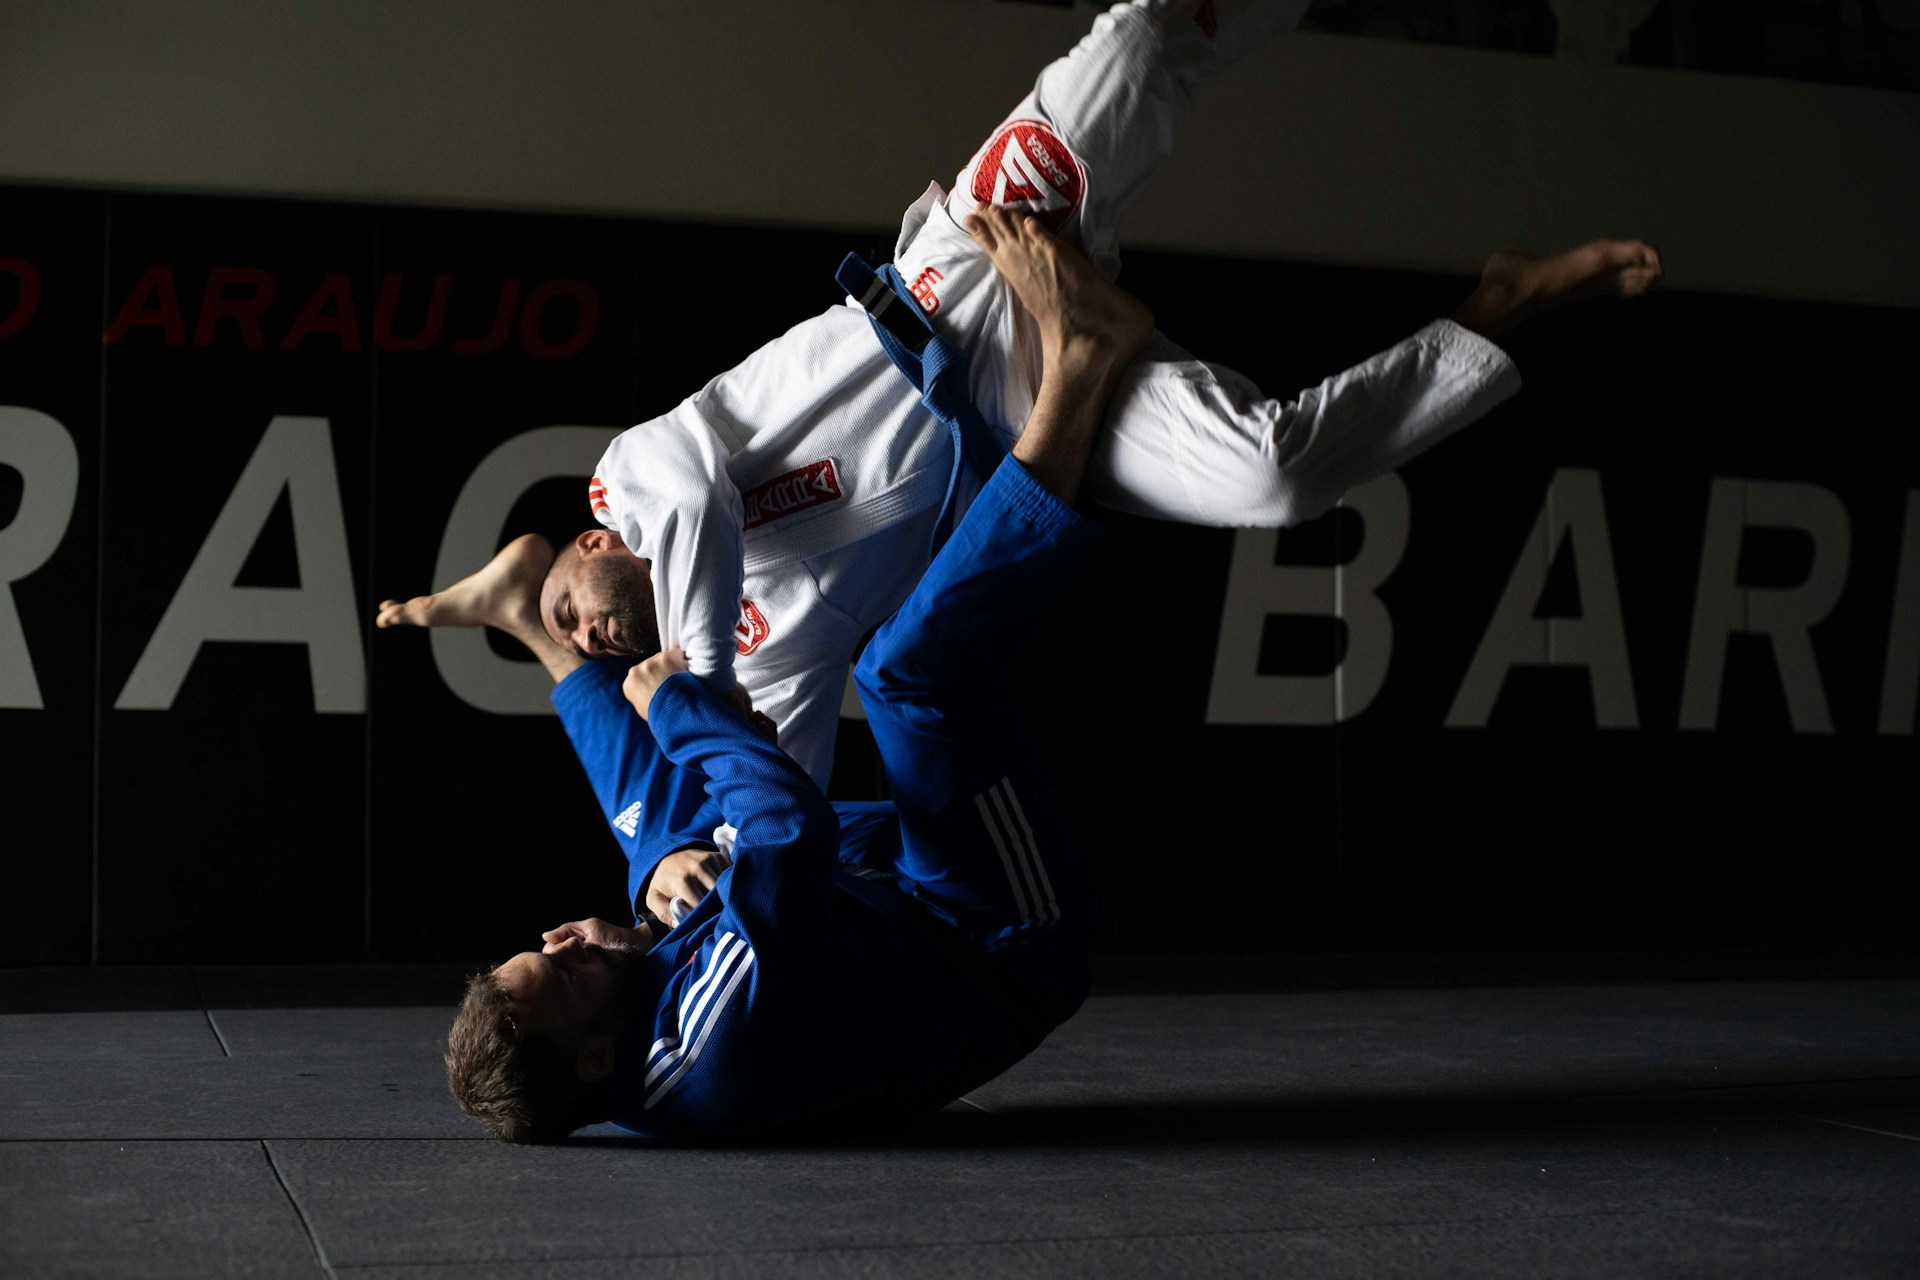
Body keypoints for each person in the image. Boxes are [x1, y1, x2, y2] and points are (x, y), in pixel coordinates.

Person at [379, 0, 1664, 805]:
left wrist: (690, 679)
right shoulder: (767, 656)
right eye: (570, 638)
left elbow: (705, 508)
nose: (592, 634)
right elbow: (766, 800)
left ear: (592, 542)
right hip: (1034, 396)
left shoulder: (635, 476)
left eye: (565, 608)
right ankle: (1497, 313)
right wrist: (673, 845)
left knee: (1146, 41)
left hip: (956, 271)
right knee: (1274, 479)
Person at [446, 204, 1165, 1142]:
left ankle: (545, 648)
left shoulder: (621, 1031)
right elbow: (791, 829)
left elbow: (732, 868)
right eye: (562, 970)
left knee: (673, 858)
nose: (560, 938)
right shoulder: (702, 1054)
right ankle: (1082, 364)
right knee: (908, 679)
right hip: (995, 934)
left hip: (883, 899)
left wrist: (669, 869)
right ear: (592, 1059)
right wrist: (680, 709)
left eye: (539, 947)